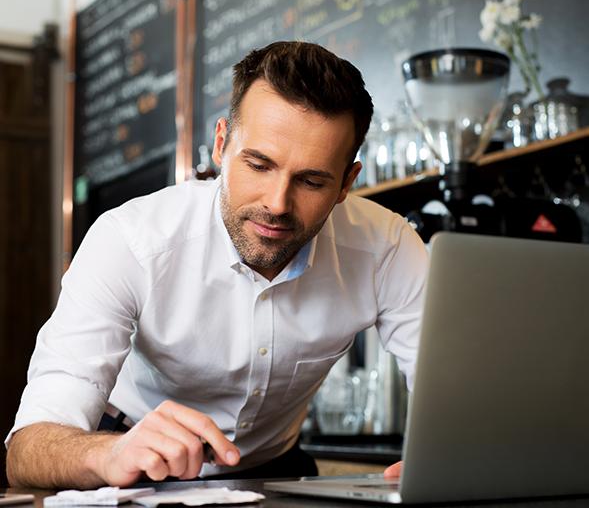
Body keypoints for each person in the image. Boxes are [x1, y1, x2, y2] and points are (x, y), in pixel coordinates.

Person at [6, 41, 427, 489]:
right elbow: (28, 448)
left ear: (346, 183)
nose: (277, 204)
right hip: (129, 455)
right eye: (259, 165)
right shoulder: (130, 240)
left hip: (273, 466)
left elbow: (450, 393)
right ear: (222, 146)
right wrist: (107, 453)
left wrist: (443, 454)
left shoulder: (386, 246)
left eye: (310, 180)